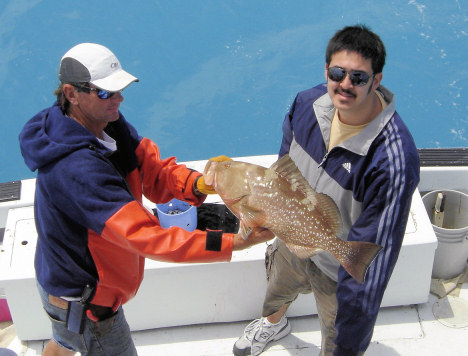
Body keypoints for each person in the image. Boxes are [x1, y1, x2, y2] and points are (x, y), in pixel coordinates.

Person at [19, 43, 272, 356]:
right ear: (71, 93)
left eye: (120, 90)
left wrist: (201, 184)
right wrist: (233, 242)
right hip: (89, 301)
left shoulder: (102, 123)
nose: (118, 100)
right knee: (85, 341)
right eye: (105, 93)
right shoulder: (77, 170)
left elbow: (152, 170)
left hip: (67, 285)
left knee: (66, 342)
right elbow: (148, 238)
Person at [232, 25, 420, 356]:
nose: (345, 84)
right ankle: (274, 323)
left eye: (358, 78)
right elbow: (283, 165)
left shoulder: (393, 161)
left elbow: (372, 264)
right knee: (277, 287)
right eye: (338, 73)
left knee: (337, 338)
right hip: (293, 235)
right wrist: (270, 212)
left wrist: (350, 342)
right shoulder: (306, 103)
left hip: (339, 269)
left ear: (376, 81)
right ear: (326, 71)